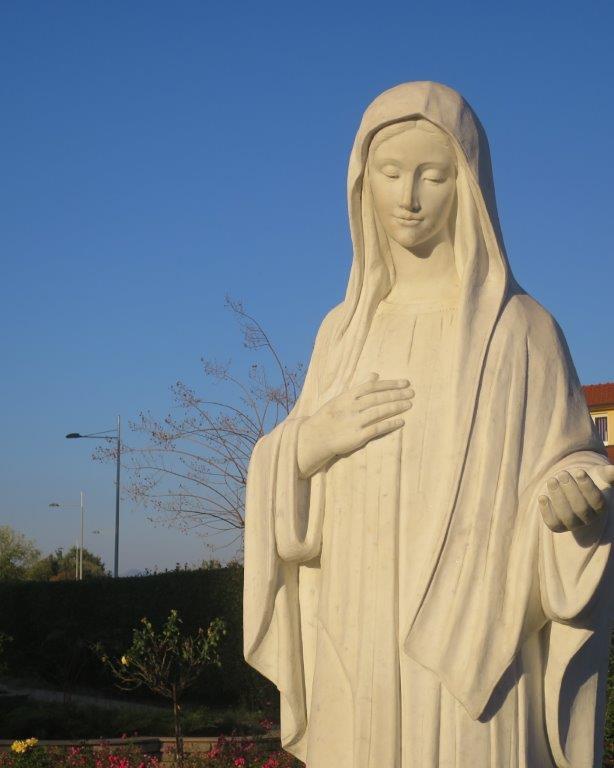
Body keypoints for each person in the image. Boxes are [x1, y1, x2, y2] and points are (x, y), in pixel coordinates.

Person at [243, 81, 613, 768]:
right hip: (358, 623)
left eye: (432, 175)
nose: (408, 197)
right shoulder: (342, 333)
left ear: (468, 186)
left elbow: (572, 460)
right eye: (390, 173)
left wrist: (580, 500)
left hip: (474, 635)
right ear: (363, 184)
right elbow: (284, 463)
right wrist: (307, 445)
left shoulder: (522, 331)